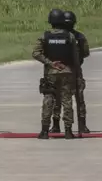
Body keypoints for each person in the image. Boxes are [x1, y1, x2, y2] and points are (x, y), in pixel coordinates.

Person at [33, 9, 80, 139]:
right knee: (67, 101)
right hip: (67, 72)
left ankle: (44, 131)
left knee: (48, 100)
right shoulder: (70, 36)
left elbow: (36, 53)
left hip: (51, 73)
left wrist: (50, 63)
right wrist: (72, 68)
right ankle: (68, 131)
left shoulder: (45, 36)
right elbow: (75, 56)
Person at [50, 10, 90, 133]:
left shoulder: (57, 36)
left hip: (60, 70)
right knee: (78, 98)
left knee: (57, 97)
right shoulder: (78, 36)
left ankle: (56, 124)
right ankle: (81, 124)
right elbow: (85, 53)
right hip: (74, 69)